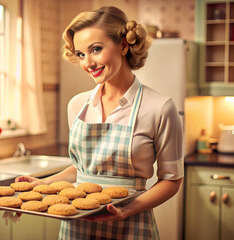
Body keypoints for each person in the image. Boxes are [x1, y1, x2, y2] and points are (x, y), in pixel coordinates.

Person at [16, 6, 183, 239]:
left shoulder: (160, 107)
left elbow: (172, 180)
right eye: (81, 54)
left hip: (132, 226)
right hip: (76, 226)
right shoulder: (77, 105)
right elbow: (83, 170)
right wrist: (40, 184)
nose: (88, 63)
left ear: (124, 45)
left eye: (96, 49)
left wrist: (126, 210)